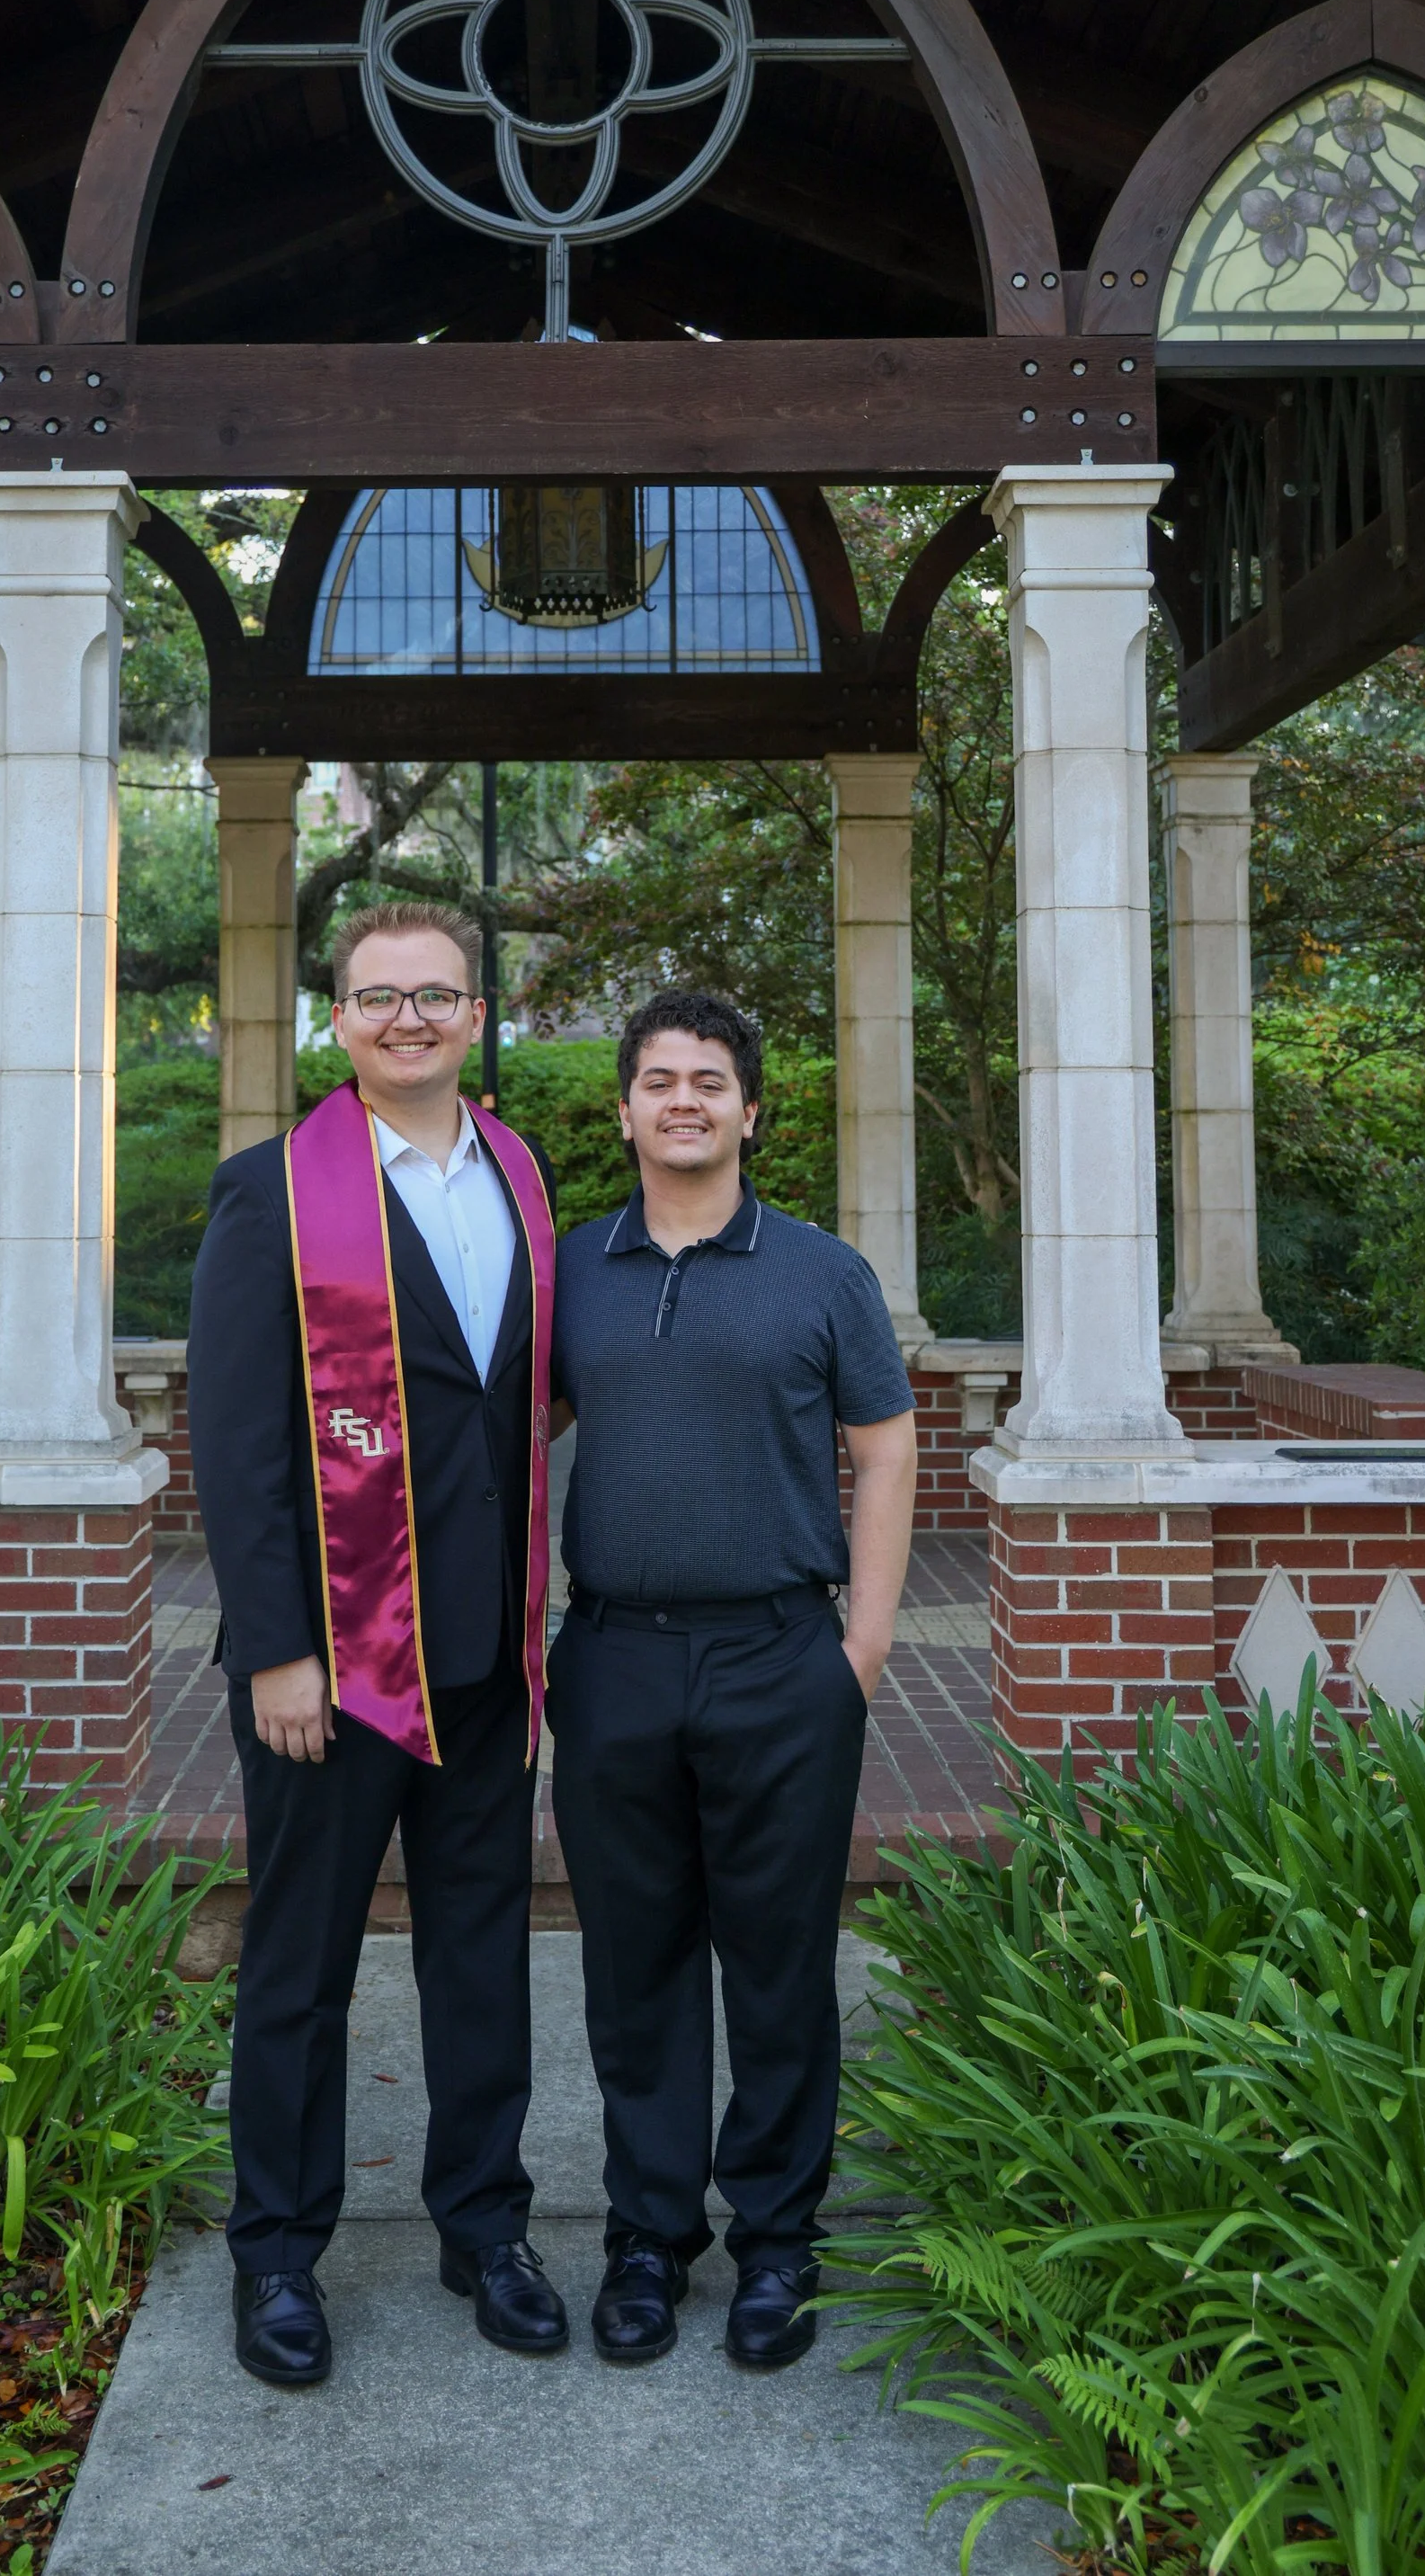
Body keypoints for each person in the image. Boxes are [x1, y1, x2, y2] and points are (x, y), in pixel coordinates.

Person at [188, 897, 565, 2388]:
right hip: (330, 1665)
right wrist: (277, 1645)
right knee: (302, 1962)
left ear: (478, 1017)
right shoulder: (269, 1194)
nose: (408, 1017)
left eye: (438, 995)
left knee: (484, 1952)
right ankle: (278, 2252)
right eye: (377, 996)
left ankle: (485, 2224)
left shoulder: (521, 1181)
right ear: (335, 1021)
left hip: (482, 1655)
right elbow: (235, 1440)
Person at [548, 986, 918, 2375]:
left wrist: (864, 1645)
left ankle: (777, 2245)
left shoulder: (824, 1274)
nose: (685, 1100)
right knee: (634, 1970)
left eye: (710, 1080)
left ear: (752, 1111)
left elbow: (884, 1448)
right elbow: (511, 1442)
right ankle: (648, 2242)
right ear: (628, 1108)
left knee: (776, 1969)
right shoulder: (572, 1268)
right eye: (660, 1080)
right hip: (615, 1662)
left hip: (782, 1659)